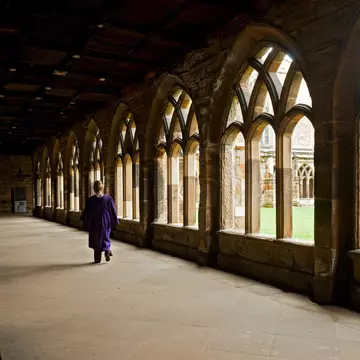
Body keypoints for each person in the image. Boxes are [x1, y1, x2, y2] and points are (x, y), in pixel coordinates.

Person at [80, 180, 118, 263]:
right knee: (105, 236)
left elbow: (87, 211)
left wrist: (84, 221)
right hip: (105, 221)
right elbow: (113, 211)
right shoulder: (108, 199)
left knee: (95, 239)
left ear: (94, 189)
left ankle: (97, 258)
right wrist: (114, 221)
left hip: (94, 222)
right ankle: (107, 250)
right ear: (102, 188)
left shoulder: (90, 200)